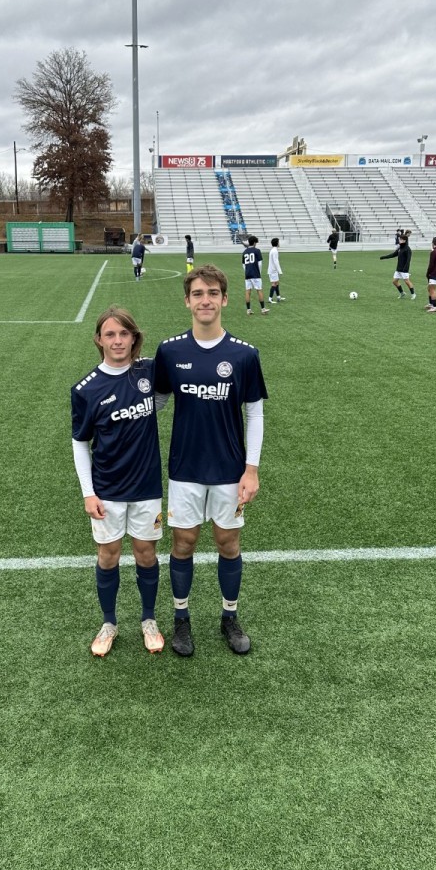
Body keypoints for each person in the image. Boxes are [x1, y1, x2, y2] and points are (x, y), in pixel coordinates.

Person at [153, 264, 269, 657]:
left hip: (229, 469)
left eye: (213, 293)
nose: (206, 300)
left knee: (228, 543)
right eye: (198, 294)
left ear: (224, 299)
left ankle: (229, 616)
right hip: (185, 468)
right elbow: (157, 403)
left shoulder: (244, 355)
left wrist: (251, 469)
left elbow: (254, 413)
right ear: (187, 301)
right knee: (183, 543)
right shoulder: (170, 351)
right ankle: (181, 619)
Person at [71, 306, 165, 657]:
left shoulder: (147, 371)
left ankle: (148, 619)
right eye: (110, 334)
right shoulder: (86, 389)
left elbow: (162, 397)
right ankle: (109, 623)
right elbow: (80, 443)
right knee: (108, 555)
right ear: (99, 340)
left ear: (133, 337)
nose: (118, 340)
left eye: (124, 333)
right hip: (107, 489)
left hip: (146, 487)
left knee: (146, 553)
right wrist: (88, 493)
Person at [380, 231, 415, 299]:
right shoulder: (400, 248)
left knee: (407, 281)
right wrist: (384, 257)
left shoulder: (407, 249)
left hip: (404, 269)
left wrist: (405, 268)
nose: (399, 240)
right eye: (399, 239)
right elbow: (393, 254)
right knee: (394, 282)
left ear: (404, 240)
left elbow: (408, 260)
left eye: (401, 239)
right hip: (398, 268)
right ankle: (402, 293)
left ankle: (413, 294)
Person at [241, 234, 268, 315]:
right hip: (255, 274)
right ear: (254, 242)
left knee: (248, 291)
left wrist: (247, 271)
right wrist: (259, 272)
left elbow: (243, 265)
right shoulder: (257, 251)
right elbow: (260, 263)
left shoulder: (245, 252)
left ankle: (248, 309)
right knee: (259, 290)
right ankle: (263, 309)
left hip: (247, 274)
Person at [268, 237, 286, 303]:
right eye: (278, 242)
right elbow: (276, 261)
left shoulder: (273, 250)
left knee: (277, 283)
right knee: (274, 284)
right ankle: (270, 298)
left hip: (273, 269)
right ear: (277, 243)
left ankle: (278, 297)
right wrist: (280, 271)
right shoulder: (275, 251)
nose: (279, 243)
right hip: (273, 270)